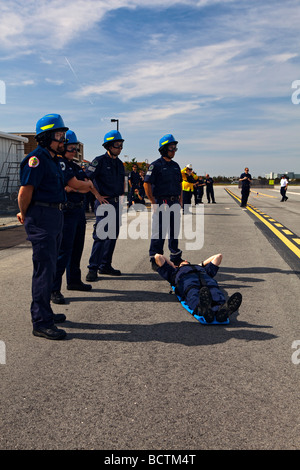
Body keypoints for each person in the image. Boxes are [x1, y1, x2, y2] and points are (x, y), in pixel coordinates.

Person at [17, 114, 95, 340]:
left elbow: (71, 183)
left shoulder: (53, 160)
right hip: (42, 217)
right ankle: (41, 322)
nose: (63, 140)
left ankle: (46, 312)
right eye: (59, 135)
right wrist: (25, 214)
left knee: (51, 267)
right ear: (44, 138)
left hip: (55, 214)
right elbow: (25, 192)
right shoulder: (36, 159)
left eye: (62, 135)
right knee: (43, 270)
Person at [51, 130, 108, 305]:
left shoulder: (75, 166)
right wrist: (79, 187)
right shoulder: (60, 163)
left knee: (77, 248)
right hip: (66, 212)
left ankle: (74, 280)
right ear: (63, 148)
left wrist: (85, 188)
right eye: (70, 148)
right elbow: (73, 186)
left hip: (78, 211)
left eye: (75, 148)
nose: (73, 151)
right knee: (63, 251)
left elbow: (88, 185)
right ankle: (54, 289)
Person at [154, 252, 242, 323]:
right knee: (193, 294)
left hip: (208, 282)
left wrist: (202, 265)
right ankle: (202, 309)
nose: (186, 260)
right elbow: (158, 257)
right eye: (183, 261)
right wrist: (172, 265)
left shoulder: (202, 268)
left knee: (214, 291)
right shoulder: (174, 271)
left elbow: (218, 256)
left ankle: (221, 310)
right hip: (188, 283)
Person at [85, 130, 125, 281]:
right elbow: (88, 180)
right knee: (101, 235)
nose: (120, 148)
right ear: (108, 145)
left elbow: (122, 184)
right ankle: (93, 268)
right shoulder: (99, 161)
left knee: (112, 235)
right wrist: (97, 195)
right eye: (117, 145)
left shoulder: (120, 164)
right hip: (104, 203)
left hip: (116, 203)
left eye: (121, 145)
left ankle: (105, 265)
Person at [144, 134, 183, 269]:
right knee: (159, 231)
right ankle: (156, 258)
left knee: (174, 230)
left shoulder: (176, 166)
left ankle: (175, 256)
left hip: (174, 202)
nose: (174, 150)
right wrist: (153, 202)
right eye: (171, 148)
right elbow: (146, 184)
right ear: (164, 149)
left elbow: (180, 184)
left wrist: (180, 201)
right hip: (162, 202)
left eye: (175, 148)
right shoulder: (156, 166)